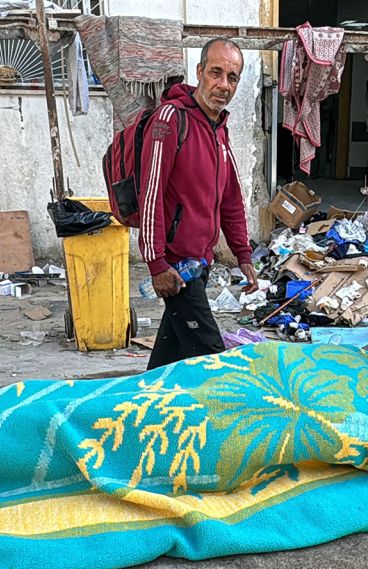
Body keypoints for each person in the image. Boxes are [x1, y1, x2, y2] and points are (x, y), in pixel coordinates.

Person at [138, 38, 257, 370]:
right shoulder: (170, 120)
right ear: (200, 71)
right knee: (213, 362)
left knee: (168, 359)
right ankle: (233, 419)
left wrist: (242, 253)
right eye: (216, 73)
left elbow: (230, 196)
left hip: (199, 263)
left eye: (232, 77)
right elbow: (150, 194)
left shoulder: (219, 129)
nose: (223, 85)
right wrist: (156, 262)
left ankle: (146, 406)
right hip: (176, 267)